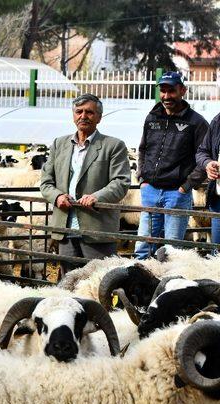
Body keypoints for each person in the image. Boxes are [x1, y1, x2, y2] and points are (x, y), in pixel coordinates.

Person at [40, 94, 131, 275]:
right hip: (65, 227)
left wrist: (97, 197)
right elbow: (46, 182)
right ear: (73, 115)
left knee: (97, 281)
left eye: (89, 112)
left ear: (99, 117)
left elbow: (121, 182)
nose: (83, 116)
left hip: (96, 229)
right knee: (68, 281)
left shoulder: (113, 146)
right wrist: (57, 196)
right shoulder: (59, 144)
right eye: (79, 111)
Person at [134, 71, 209, 259]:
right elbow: (143, 149)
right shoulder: (152, 118)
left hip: (177, 194)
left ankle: (168, 286)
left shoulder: (196, 122)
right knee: (143, 247)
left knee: (172, 251)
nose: (166, 96)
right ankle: (141, 287)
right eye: (163, 91)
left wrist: (186, 187)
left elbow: (204, 157)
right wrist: (142, 178)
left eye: (171, 91)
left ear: (182, 90)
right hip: (150, 191)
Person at [196, 112, 220, 245]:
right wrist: (208, 164)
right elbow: (202, 151)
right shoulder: (217, 121)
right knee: (217, 255)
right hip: (218, 201)